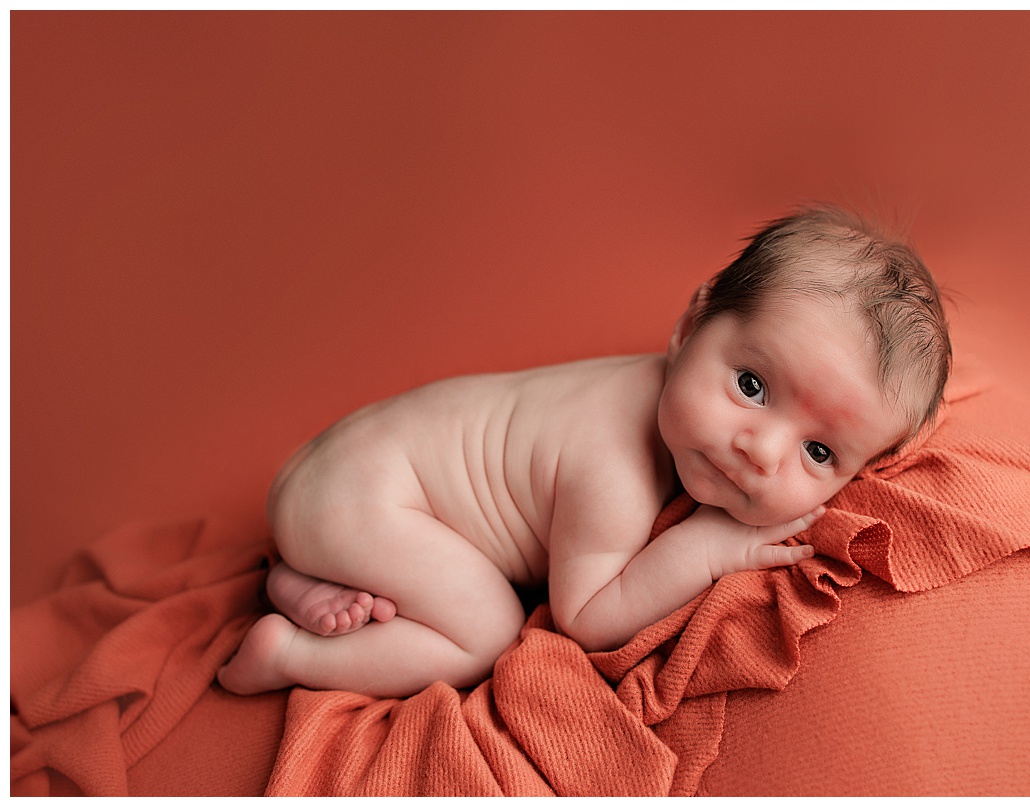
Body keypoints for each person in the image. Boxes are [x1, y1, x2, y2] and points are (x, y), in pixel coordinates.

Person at [217, 203, 951, 698]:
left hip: (335, 476)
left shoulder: (673, 396)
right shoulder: (615, 463)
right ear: (690, 325)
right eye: (753, 384)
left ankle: (298, 575)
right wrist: (711, 547)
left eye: (820, 451)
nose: (761, 450)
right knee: (486, 630)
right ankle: (291, 655)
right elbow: (588, 613)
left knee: (430, 574)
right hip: (365, 497)